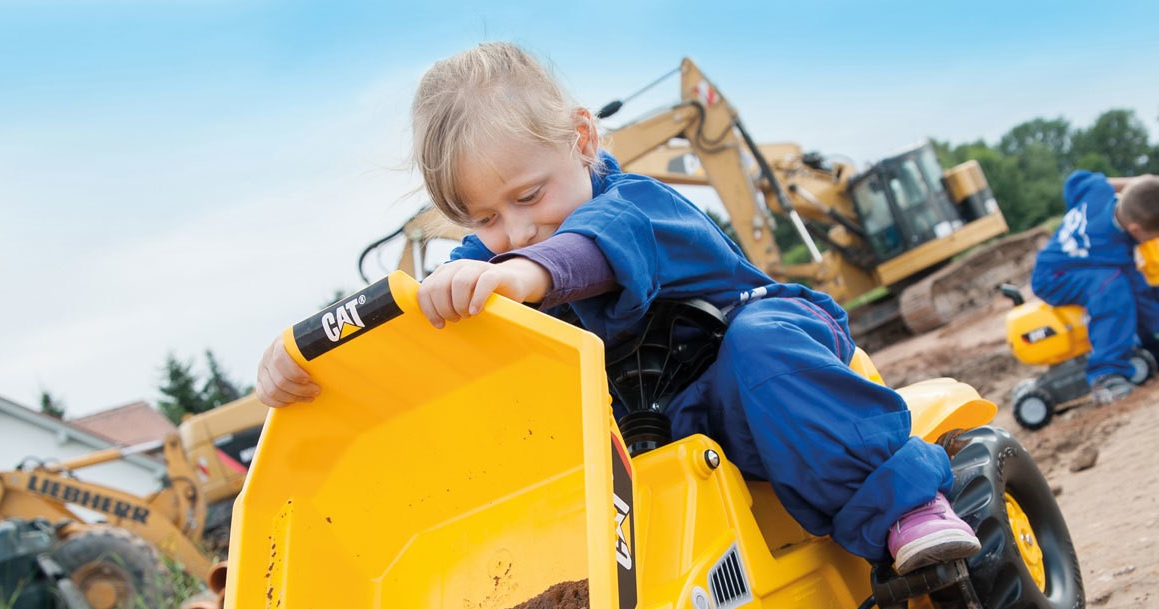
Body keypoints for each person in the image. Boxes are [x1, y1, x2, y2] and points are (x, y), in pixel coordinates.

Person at [257, 42, 979, 575]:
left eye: (528, 197)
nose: (513, 232)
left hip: (749, 382)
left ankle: (906, 508)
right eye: (482, 218)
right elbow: (417, 326)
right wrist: (308, 359)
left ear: (583, 139)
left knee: (763, 347)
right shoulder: (489, 258)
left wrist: (523, 277)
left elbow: (588, 253)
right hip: (654, 429)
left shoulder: (634, 206)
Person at [1030, 171, 1159, 403]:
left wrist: (1134, 183)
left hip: (1063, 266)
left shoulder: (1098, 192)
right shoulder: (1115, 250)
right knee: (1113, 289)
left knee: (1114, 281)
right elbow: (1141, 298)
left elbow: (1075, 180)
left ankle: (1134, 346)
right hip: (1053, 278)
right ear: (1137, 230)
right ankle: (1106, 375)